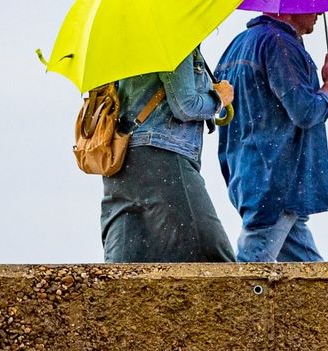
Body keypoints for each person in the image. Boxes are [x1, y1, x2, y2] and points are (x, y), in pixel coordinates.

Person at [215, 12, 328, 262]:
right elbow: (306, 112)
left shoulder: (237, 45)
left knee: (308, 273)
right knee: (253, 270)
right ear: (291, 4)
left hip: (252, 176)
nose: (319, 11)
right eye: (312, 1)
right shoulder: (279, 45)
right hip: (276, 179)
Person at [100, 45, 236, 263]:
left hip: (123, 160)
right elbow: (185, 106)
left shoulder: (129, 41)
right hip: (163, 156)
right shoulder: (175, 41)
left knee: (127, 264)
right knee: (214, 259)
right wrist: (218, 99)